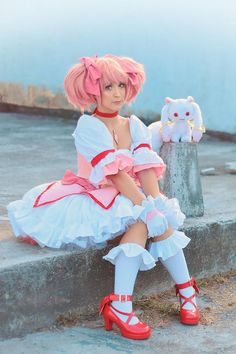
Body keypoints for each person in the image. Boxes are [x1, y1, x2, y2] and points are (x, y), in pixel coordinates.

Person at [7, 54, 200, 340]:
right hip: (96, 196)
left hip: (127, 195)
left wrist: (156, 201)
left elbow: (145, 167)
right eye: (108, 87)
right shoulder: (88, 126)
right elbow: (115, 175)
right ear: (92, 90)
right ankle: (177, 294)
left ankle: (161, 298)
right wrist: (145, 208)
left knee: (151, 219)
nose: (117, 93)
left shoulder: (133, 124)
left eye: (121, 86)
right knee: (141, 221)